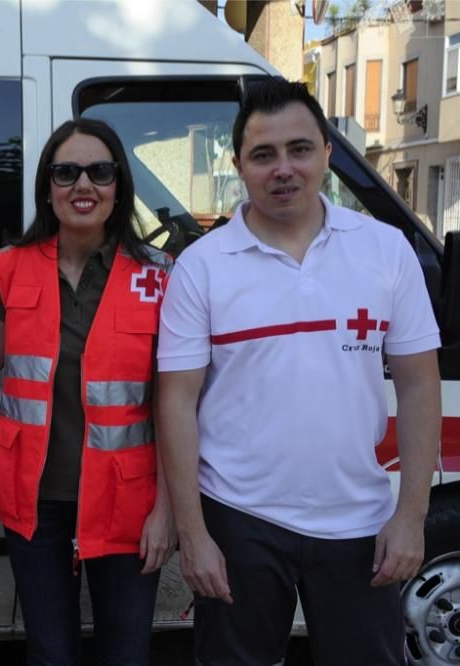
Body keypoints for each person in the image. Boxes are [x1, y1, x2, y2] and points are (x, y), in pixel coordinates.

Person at [156, 77, 441, 665]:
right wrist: (196, 535)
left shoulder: (386, 252)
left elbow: (418, 384)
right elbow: (177, 403)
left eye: (300, 149)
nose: (283, 168)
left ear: (327, 155)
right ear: (239, 165)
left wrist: (411, 517)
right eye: (263, 155)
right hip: (239, 520)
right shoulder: (201, 268)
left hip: (359, 522)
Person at [0, 118, 175, 666]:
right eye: (67, 172)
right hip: (34, 504)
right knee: (50, 654)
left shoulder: (161, 278)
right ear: (48, 187)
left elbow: (178, 406)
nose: (84, 185)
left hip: (128, 504)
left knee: (125, 655)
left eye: (100, 172)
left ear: (119, 186)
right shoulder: (9, 268)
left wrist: (167, 512)